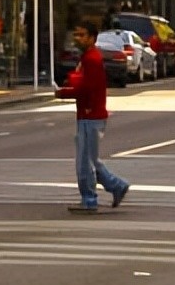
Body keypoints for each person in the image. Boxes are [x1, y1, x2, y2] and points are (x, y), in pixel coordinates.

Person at [54, 20, 130, 214]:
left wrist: (63, 92)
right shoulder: (89, 57)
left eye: (81, 35)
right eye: (76, 34)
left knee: (85, 162)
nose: (77, 38)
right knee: (90, 159)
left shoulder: (91, 59)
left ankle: (90, 199)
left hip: (90, 114)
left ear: (92, 37)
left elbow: (87, 89)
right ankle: (116, 186)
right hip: (90, 114)